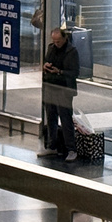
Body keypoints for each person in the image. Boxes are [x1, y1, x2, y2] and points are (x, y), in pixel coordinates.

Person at [37, 27, 80, 162]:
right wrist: (46, 66)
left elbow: (75, 72)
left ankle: (71, 149)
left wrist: (60, 72)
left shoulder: (71, 51)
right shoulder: (51, 48)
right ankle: (52, 145)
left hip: (64, 88)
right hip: (51, 86)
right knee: (51, 116)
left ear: (65, 38)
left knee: (65, 118)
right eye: (54, 41)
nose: (57, 44)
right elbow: (46, 61)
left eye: (59, 41)